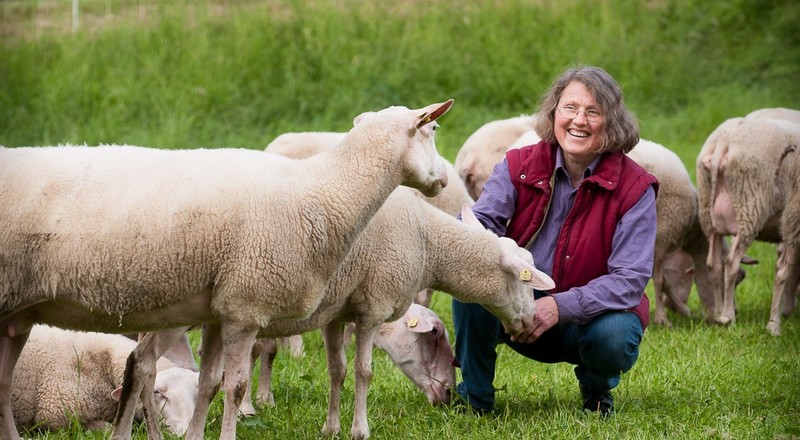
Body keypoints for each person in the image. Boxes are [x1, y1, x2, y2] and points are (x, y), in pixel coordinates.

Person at [452, 65, 658, 418]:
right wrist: (460, 238)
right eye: (570, 108)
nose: (579, 120)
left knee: (615, 334)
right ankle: (475, 398)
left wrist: (558, 306)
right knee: (473, 283)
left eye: (593, 112)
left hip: (587, 319)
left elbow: (629, 280)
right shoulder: (518, 165)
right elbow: (480, 223)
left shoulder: (635, 189)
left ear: (611, 122)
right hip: (517, 308)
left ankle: (596, 393)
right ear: (553, 113)